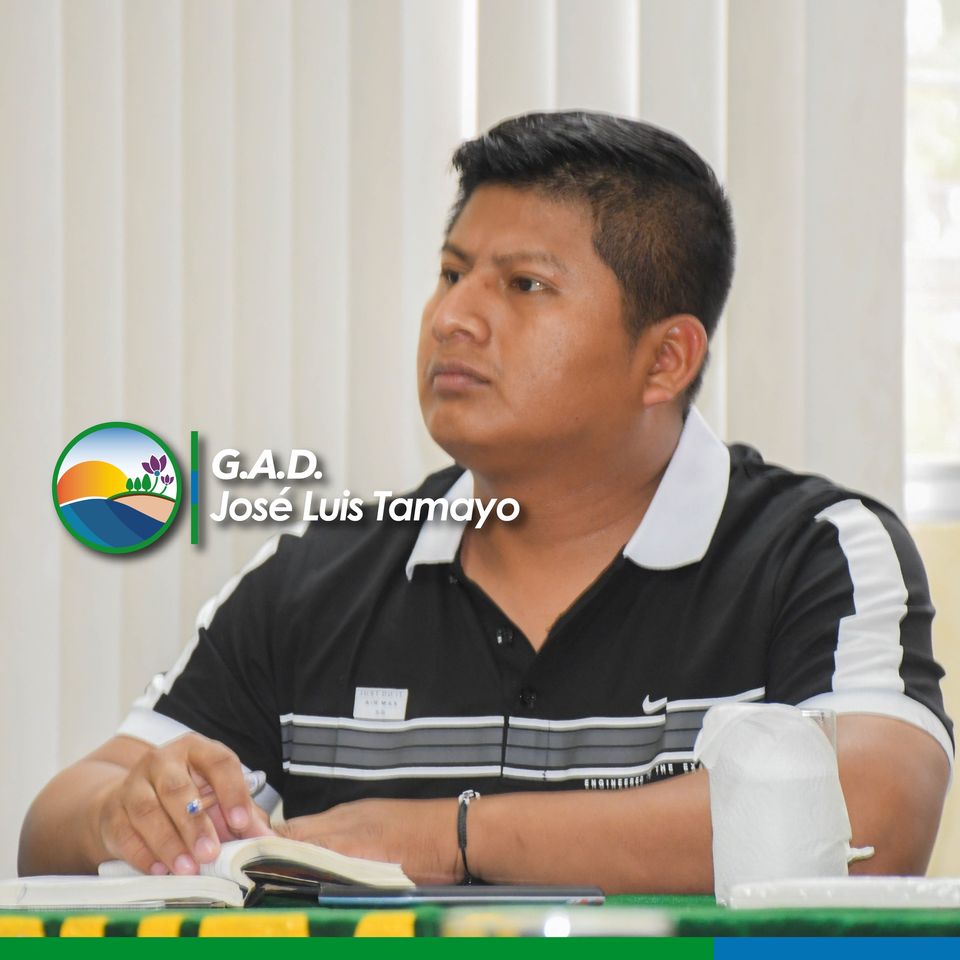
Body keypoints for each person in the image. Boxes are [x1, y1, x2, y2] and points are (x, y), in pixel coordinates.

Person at [20, 112, 952, 893]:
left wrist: (449, 837)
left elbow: (869, 818)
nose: (452, 317)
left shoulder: (812, 551)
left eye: (524, 285)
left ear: (665, 359)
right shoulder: (317, 574)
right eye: (451, 272)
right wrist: (125, 813)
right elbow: (58, 824)